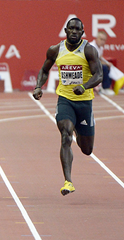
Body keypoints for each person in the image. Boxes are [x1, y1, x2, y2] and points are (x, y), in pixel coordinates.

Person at [33, 18, 103, 196]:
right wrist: (38, 87)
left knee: (87, 150)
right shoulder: (56, 50)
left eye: (77, 29)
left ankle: (80, 131)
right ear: (65, 30)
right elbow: (44, 70)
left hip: (85, 103)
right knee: (65, 134)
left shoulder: (88, 50)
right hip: (65, 100)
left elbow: (99, 75)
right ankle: (68, 181)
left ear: (82, 32)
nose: (73, 31)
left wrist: (84, 86)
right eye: (70, 28)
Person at [90, 31, 124, 95]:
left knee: (108, 67)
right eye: (101, 39)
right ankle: (105, 88)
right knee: (104, 67)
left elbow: (100, 58)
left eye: (104, 40)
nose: (102, 42)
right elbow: (94, 60)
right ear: (96, 38)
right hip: (88, 66)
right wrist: (106, 64)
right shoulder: (92, 46)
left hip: (94, 66)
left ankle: (109, 87)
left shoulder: (100, 48)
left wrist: (108, 63)